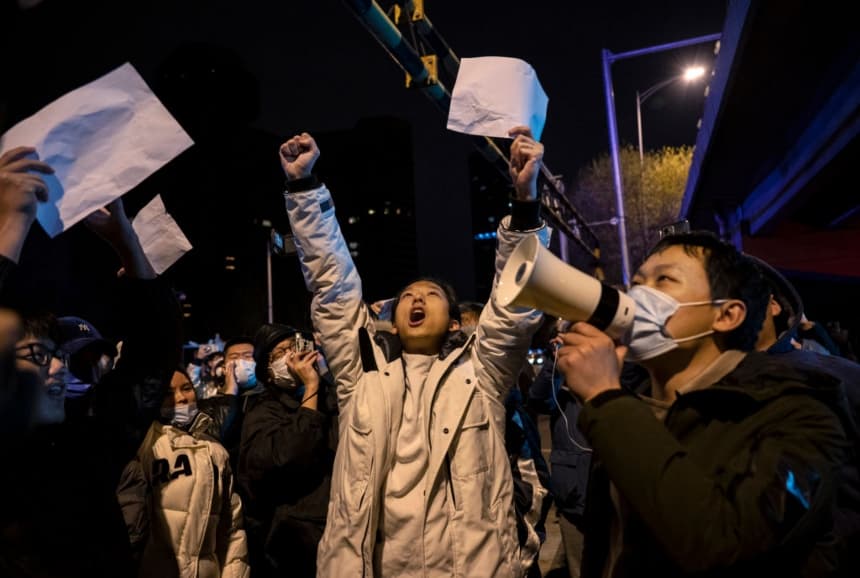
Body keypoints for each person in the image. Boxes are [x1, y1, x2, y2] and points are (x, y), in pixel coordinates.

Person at [278, 127, 548, 576]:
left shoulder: (482, 373)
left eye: (431, 295)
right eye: (407, 296)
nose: (417, 299)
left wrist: (524, 203)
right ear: (394, 317)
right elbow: (333, 285)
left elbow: (514, 306)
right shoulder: (360, 373)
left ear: (455, 322)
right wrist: (305, 187)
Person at [554, 230, 850, 577]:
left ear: (727, 315)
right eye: (636, 283)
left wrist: (606, 397)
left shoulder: (798, 414)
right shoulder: (630, 408)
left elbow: (725, 543)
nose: (637, 296)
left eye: (664, 280)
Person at [116, 368, 250, 578]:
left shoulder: (216, 450)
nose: (180, 398)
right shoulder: (145, 445)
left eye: (186, 388)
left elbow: (232, 528)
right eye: (168, 393)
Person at [237, 325, 338, 577]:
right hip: (293, 543)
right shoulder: (263, 411)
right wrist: (311, 388)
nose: (292, 356)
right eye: (281, 353)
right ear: (268, 372)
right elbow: (290, 455)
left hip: (339, 531)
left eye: (296, 346)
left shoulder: (333, 400)